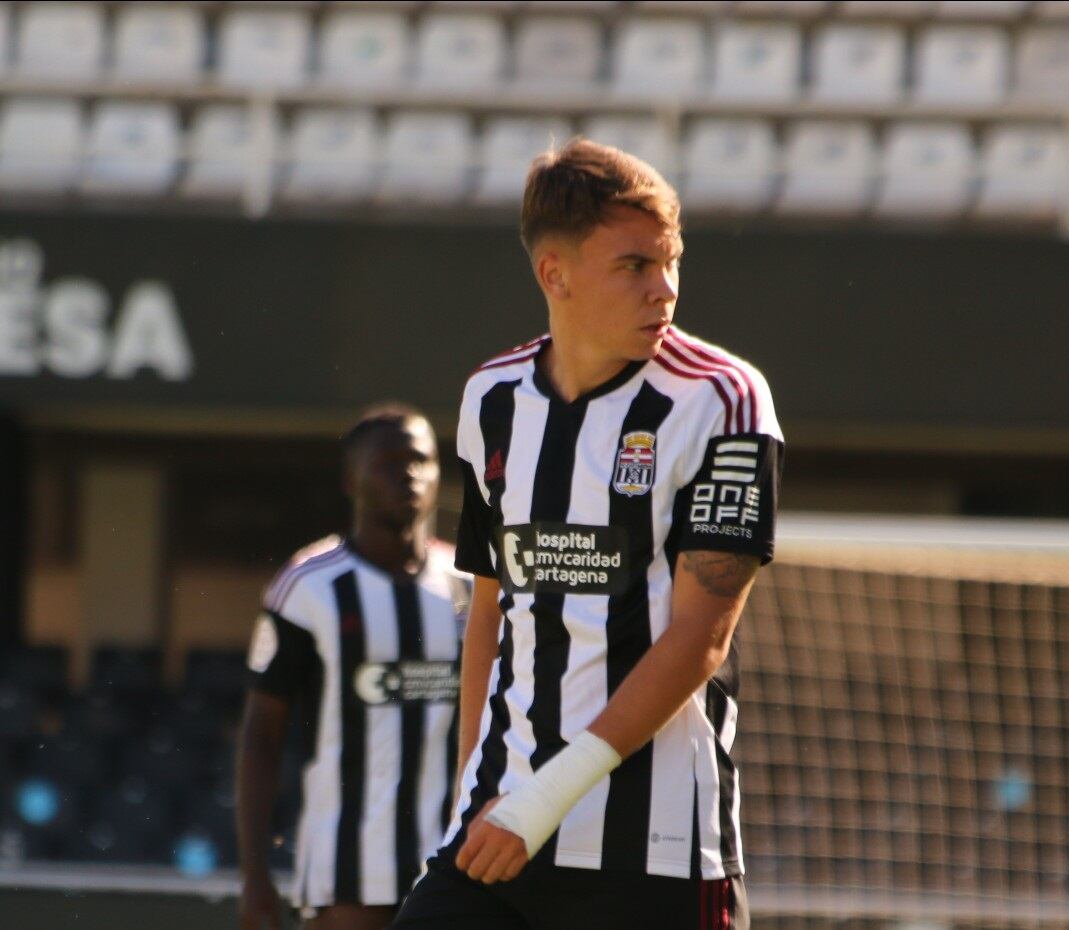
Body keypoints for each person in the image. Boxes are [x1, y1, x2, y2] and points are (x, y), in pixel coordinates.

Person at [392, 140, 783, 930]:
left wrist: (543, 801)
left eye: (672, 262)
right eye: (635, 266)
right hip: (502, 829)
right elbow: (491, 608)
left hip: (658, 851)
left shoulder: (725, 401)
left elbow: (702, 637)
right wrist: (481, 782)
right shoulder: (492, 398)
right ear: (555, 274)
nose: (664, 289)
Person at [237, 404, 467, 930]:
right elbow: (261, 734)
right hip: (346, 872)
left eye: (421, 459)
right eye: (387, 461)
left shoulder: (471, 584)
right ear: (350, 478)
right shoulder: (308, 585)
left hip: (454, 867)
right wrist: (254, 876)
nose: (407, 473)